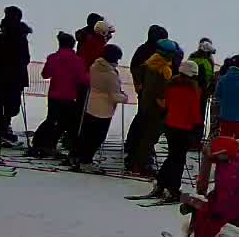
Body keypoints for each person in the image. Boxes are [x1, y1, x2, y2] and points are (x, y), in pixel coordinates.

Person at [186, 134, 239, 237]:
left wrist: (218, 212)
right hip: (223, 201)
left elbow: (229, 196)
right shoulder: (228, 159)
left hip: (233, 207)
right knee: (201, 218)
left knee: (206, 230)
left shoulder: (231, 172)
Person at [150, 59, 203, 201]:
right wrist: (198, 126)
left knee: (172, 157)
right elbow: (194, 111)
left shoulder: (171, 84)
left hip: (170, 125)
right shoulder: (192, 90)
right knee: (178, 159)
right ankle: (173, 188)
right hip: (184, 128)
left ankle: (161, 184)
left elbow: (166, 104)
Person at [30, 31, 88, 158]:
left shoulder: (53, 57)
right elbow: (83, 79)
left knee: (51, 119)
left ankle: (39, 142)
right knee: (64, 123)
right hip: (69, 96)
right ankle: (51, 145)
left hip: (54, 95)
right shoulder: (78, 61)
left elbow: (45, 74)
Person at [126, 37, 177, 173]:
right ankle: (141, 164)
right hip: (155, 109)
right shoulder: (163, 70)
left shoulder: (148, 63)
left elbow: (138, 78)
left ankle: (133, 160)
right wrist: (165, 109)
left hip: (144, 103)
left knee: (141, 133)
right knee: (149, 137)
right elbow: (161, 95)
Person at [72, 43, 124, 172]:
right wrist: (124, 97)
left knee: (86, 134)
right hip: (104, 110)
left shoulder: (94, 66)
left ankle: (78, 157)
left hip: (91, 104)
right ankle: (86, 162)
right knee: (97, 138)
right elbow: (114, 96)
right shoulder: (110, 74)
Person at [0, 5, 32, 146]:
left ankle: (0, 131)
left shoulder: (3, 34)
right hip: (15, 77)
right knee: (9, 106)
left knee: (1, 105)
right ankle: (2, 131)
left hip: (1, 75)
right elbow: (25, 58)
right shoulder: (20, 35)